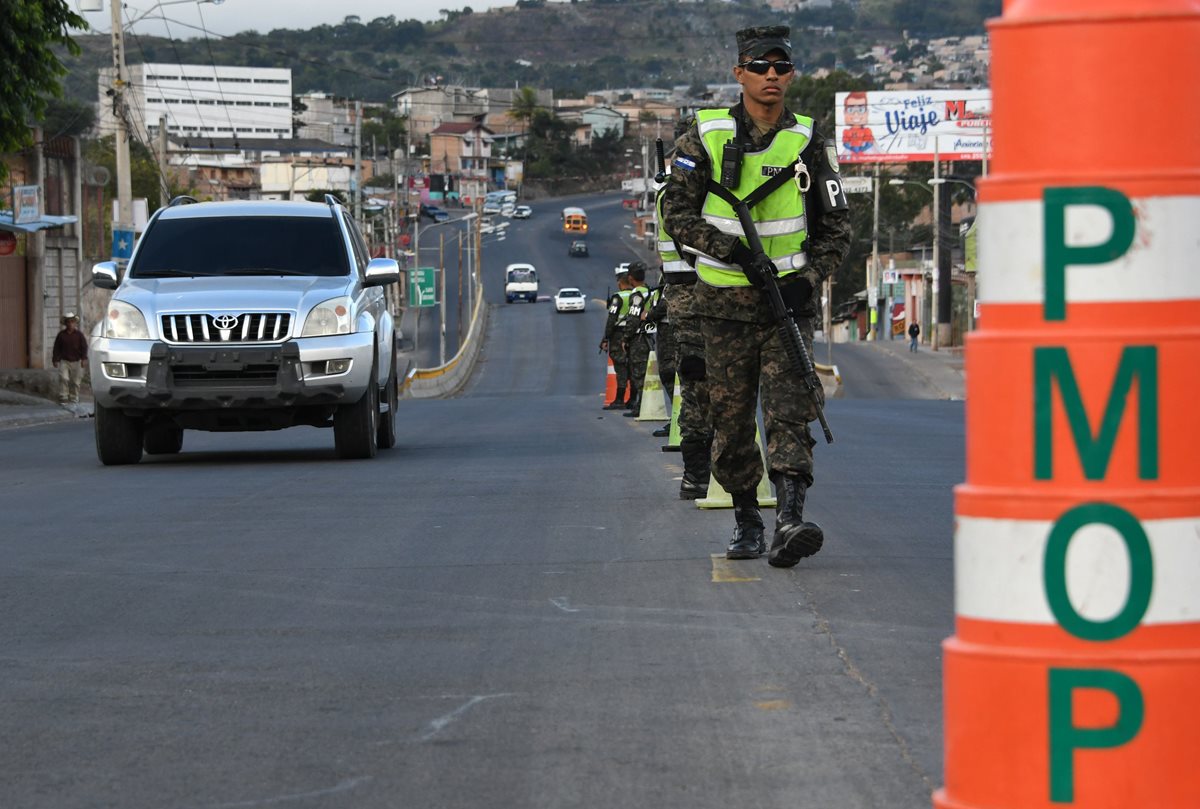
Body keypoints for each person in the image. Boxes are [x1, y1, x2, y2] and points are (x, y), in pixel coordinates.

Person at [661, 25, 852, 565]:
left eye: (781, 67)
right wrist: (731, 250)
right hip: (721, 306)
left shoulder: (809, 140)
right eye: (760, 66)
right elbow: (675, 212)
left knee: (791, 412)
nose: (772, 76)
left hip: (785, 306)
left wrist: (809, 278)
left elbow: (837, 226)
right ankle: (747, 518)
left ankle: (789, 519)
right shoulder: (706, 133)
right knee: (732, 419)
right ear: (738, 72)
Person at [600, 266, 635, 409]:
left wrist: (605, 338)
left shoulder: (618, 297)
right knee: (633, 367)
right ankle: (633, 399)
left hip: (619, 335)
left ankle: (619, 400)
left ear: (620, 283)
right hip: (634, 334)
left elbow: (611, 319)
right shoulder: (636, 294)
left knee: (620, 367)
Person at [621, 263, 652, 416]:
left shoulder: (637, 295)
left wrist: (626, 338)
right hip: (649, 336)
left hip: (638, 338)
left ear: (630, 278)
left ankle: (641, 407)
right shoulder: (649, 291)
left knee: (639, 373)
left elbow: (633, 318)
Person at [52, 312, 89, 405]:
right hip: (64, 360)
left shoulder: (79, 335)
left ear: (75, 323)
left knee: (76, 381)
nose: (70, 324)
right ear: (66, 323)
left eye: (72, 322)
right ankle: (63, 396)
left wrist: (84, 359)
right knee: (64, 378)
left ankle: (74, 397)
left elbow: (84, 347)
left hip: (77, 361)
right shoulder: (61, 335)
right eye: (68, 322)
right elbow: (56, 348)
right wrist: (55, 359)